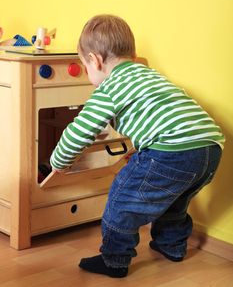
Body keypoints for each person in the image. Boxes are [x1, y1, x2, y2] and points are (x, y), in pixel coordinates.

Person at [50, 14, 225, 278]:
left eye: (86, 67)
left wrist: (58, 161)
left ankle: (115, 260)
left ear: (94, 60)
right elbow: (158, 117)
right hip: (209, 147)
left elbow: (79, 130)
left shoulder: (109, 88)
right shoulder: (150, 76)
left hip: (171, 151)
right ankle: (172, 246)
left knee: (122, 200)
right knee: (175, 200)